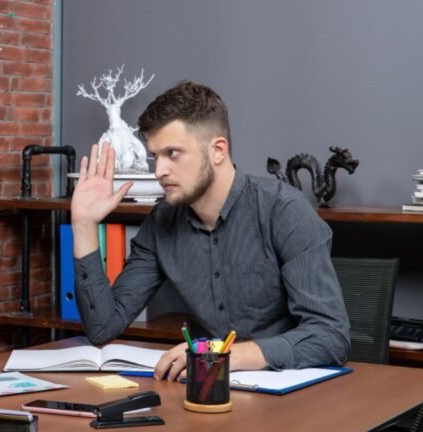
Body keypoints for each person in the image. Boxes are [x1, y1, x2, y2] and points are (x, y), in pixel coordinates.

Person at [70, 80, 350, 381]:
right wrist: (84, 226)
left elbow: (331, 336)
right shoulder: (162, 220)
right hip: (206, 392)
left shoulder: (284, 211)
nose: (159, 170)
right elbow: (102, 329)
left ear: (218, 150)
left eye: (172, 153)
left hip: (292, 397)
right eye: (155, 156)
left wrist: (225, 354)